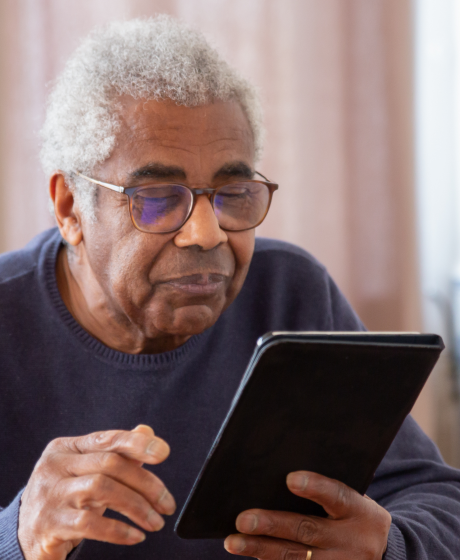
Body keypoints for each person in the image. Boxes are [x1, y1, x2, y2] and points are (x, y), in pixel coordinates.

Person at [0, 15, 459, 560]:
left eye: (233, 192)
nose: (206, 232)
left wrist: (389, 547)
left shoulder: (290, 292)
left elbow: (437, 501)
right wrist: (19, 535)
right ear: (71, 208)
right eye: (158, 197)